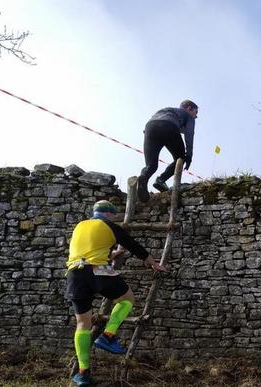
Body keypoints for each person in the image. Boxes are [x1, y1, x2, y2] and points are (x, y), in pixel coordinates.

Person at [65, 200, 165, 386]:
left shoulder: (80, 226)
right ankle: (108, 336)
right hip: (97, 271)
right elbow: (132, 245)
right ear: (109, 214)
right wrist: (153, 263)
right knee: (127, 299)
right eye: (114, 215)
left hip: (74, 274)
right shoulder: (108, 225)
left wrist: (112, 255)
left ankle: (83, 373)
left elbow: (87, 251)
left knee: (82, 325)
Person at [137, 100, 198, 202]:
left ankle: (143, 177)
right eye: (195, 113)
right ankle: (161, 180)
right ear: (189, 108)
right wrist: (189, 155)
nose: (196, 116)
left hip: (150, 128)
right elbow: (189, 135)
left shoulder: (168, 110)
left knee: (151, 165)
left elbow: (155, 120)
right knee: (180, 158)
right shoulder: (188, 116)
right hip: (169, 126)